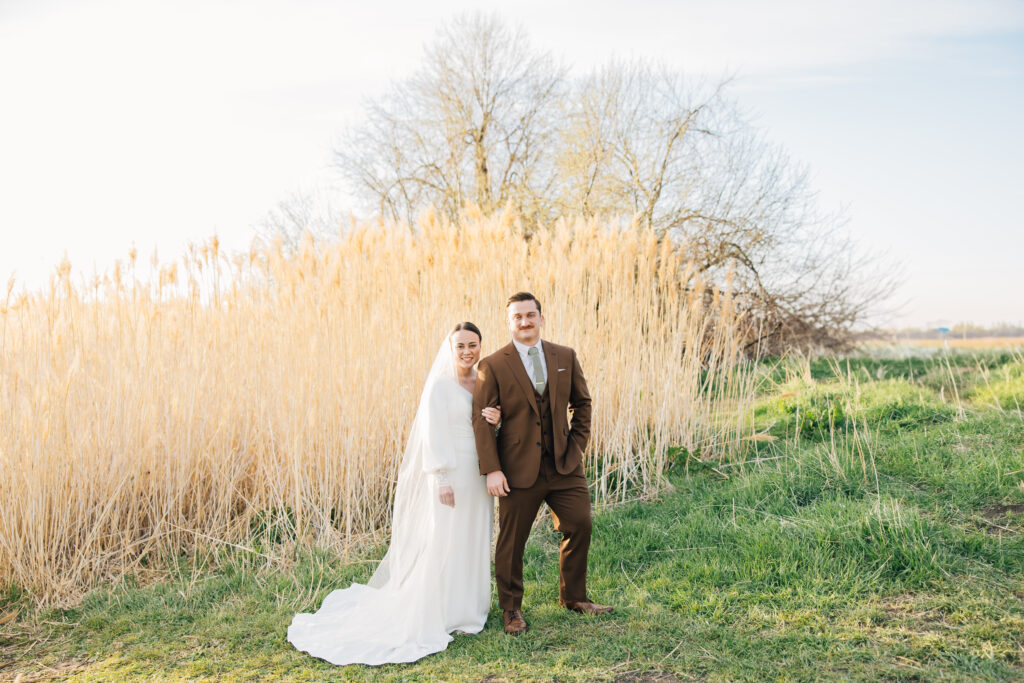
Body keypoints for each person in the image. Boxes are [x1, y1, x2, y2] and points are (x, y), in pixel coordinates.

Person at [287, 322, 501, 665]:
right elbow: (433, 433)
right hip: (452, 473)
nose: (467, 352)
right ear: (450, 348)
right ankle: (441, 609)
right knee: (446, 539)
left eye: (472, 345)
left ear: (480, 346)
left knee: (474, 535)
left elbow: (485, 427)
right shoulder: (440, 386)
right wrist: (441, 477)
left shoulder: (484, 383)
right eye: (460, 345)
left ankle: (469, 610)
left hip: (478, 473)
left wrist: (496, 419)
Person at [472, 292, 612, 636]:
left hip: (565, 466)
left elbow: (583, 403)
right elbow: (481, 420)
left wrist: (576, 446)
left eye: (530, 315)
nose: (524, 321)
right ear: (509, 322)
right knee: (512, 540)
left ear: (541, 317)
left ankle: (574, 597)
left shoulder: (564, 355)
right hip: (517, 469)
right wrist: (492, 468)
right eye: (517, 316)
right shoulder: (493, 364)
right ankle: (511, 609)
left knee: (580, 525)